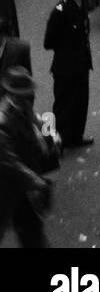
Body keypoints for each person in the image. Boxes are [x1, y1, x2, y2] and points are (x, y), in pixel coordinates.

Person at [0, 67, 57, 248]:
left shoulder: (21, 108)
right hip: (12, 186)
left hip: (23, 184)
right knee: (29, 231)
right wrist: (36, 182)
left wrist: (48, 136)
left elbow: (35, 123)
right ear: (14, 95)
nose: (29, 97)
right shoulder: (3, 122)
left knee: (32, 231)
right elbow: (10, 162)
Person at [43, 0, 94, 150]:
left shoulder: (82, 4)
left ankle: (75, 136)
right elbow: (48, 42)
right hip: (65, 67)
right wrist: (67, 48)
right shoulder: (61, 10)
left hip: (81, 64)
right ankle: (58, 141)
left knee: (81, 103)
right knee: (63, 106)